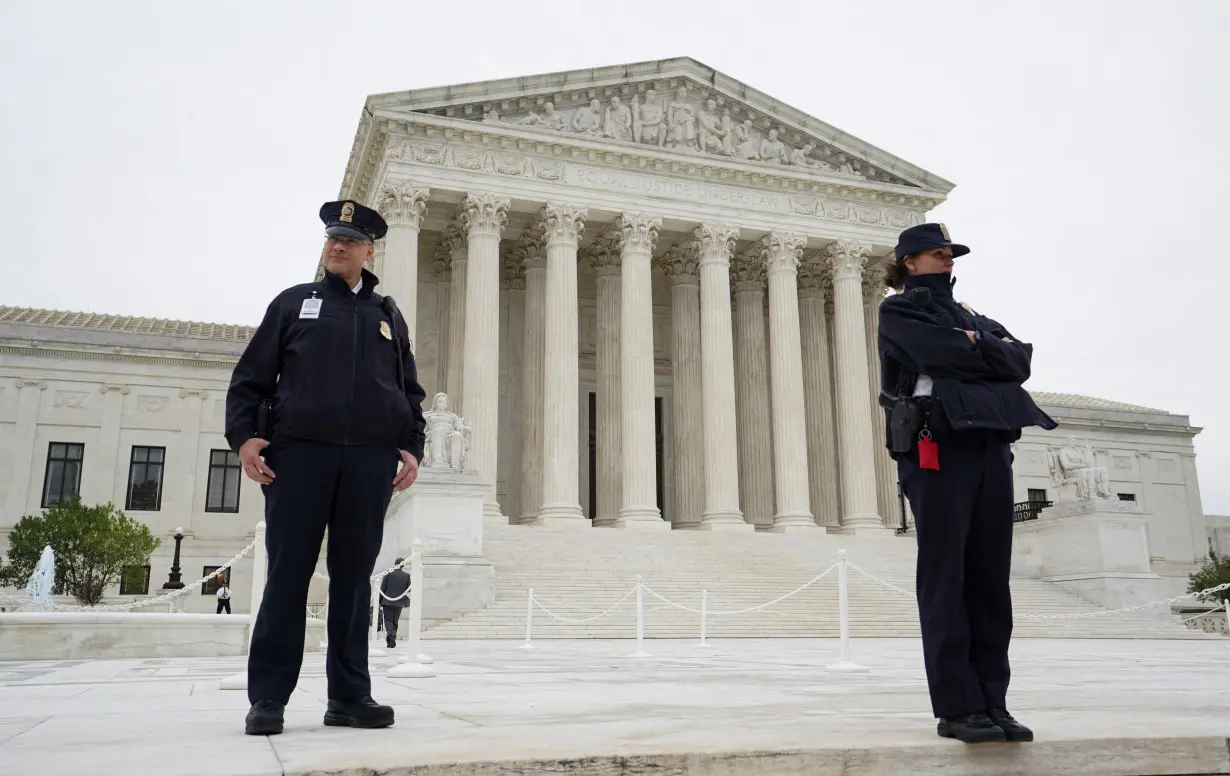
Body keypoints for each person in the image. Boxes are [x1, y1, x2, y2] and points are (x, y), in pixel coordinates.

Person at [225, 199, 427, 736]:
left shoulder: (387, 316)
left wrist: (412, 447)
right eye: (330, 239)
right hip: (299, 456)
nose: (334, 247)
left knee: (354, 582)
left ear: (368, 249)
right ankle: (268, 697)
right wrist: (245, 437)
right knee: (288, 578)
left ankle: (349, 696)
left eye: (346, 240)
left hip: (368, 462)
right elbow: (251, 379)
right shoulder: (295, 304)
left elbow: (410, 391)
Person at [877, 223, 1057, 744]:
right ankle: (957, 706)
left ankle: (992, 702)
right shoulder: (900, 311)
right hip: (938, 448)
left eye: (951, 253)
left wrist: (976, 342)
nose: (949, 260)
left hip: (990, 447)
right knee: (946, 577)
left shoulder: (972, 316)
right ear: (910, 261)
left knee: (989, 582)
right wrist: (982, 349)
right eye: (938, 253)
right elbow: (939, 356)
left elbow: (1019, 360)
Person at [379, 559, 411, 648]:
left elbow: (382, 588)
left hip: (387, 602)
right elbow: (409, 589)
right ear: (403, 565)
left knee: (388, 621)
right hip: (399, 602)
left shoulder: (388, 574)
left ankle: (391, 634)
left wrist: (379, 601)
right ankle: (391, 643)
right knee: (395, 622)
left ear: (395, 564)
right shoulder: (406, 576)